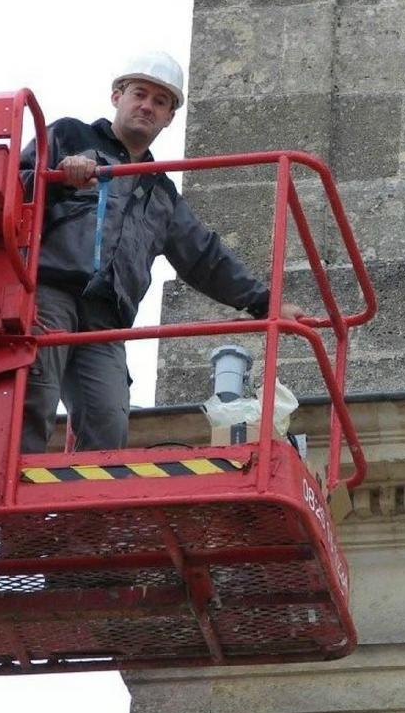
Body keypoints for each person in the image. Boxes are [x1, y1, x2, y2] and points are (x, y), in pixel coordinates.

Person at [19, 51, 302, 453]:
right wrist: (58, 178)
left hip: (105, 316)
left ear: (169, 117)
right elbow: (13, 189)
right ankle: (9, 497)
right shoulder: (69, 136)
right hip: (52, 292)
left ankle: (88, 513)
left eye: (160, 101)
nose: (148, 106)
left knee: (108, 419)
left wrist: (267, 303)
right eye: (140, 94)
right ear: (117, 96)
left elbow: (205, 257)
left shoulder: (160, 192)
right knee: (35, 387)